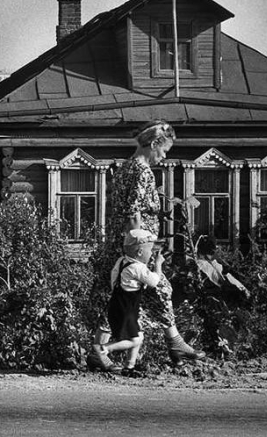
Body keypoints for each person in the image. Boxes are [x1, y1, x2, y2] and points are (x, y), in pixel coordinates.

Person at [87, 120, 205, 372]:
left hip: (123, 244)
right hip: (135, 246)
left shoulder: (124, 168)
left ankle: (102, 351)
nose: (163, 158)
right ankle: (174, 342)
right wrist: (139, 249)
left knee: (120, 296)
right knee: (157, 287)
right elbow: (133, 213)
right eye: (163, 151)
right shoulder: (142, 172)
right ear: (153, 144)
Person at [101, 228, 165, 377]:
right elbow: (154, 281)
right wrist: (158, 264)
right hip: (126, 309)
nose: (152, 254)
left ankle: (129, 366)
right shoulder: (138, 268)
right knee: (134, 340)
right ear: (140, 253)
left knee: (139, 336)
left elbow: (113, 279)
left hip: (119, 305)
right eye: (150, 251)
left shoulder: (122, 261)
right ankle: (105, 348)